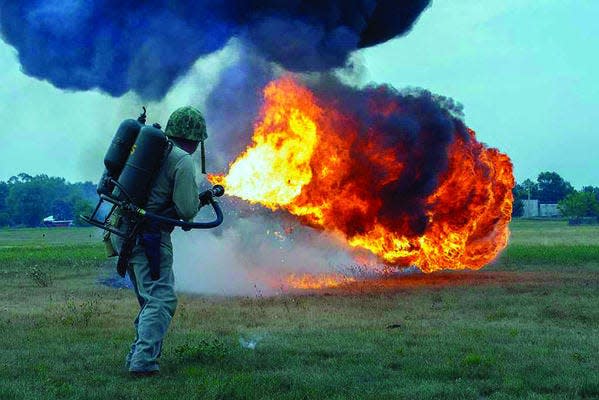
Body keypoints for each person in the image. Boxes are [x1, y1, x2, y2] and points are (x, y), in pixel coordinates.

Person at [113, 106, 207, 376]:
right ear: (196, 138)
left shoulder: (151, 150)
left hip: (123, 231)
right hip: (149, 238)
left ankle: (138, 353)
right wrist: (200, 198)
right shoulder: (182, 161)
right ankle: (143, 361)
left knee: (149, 299)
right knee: (161, 300)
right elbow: (187, 210)